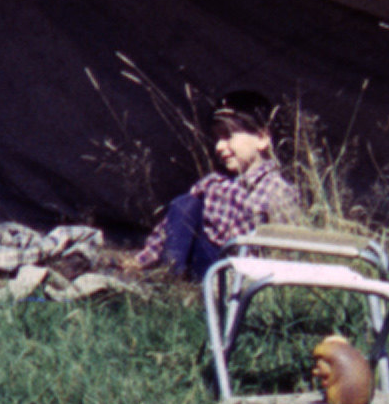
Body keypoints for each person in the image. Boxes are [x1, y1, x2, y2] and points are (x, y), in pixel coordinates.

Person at [129, 90, 304, 279]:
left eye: (228, 136)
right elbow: (170, 227)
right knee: (185, 204)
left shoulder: (276, 190)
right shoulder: (214, 182)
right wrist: (142, 260)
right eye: (217, 138)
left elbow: (287, 253)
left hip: (238, 272)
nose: (219, 146)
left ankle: (200, 287)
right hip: (203, 261)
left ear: (261, 138)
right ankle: (171, 275)